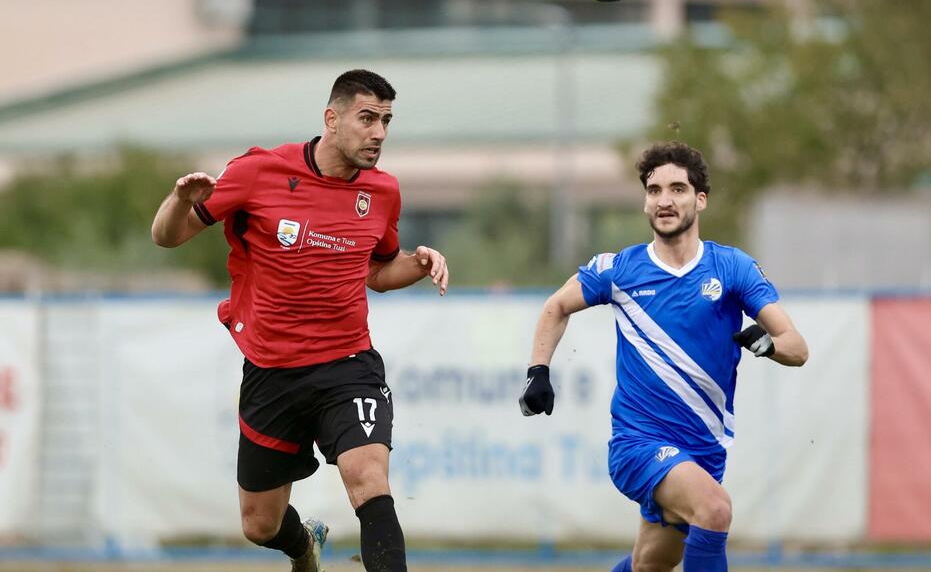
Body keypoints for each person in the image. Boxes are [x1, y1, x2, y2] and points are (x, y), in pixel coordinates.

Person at [151, 69, 447, 572]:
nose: (379, 133)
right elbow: (166, 237)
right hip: (272, 369)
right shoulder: (259, 172)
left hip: (348, 364)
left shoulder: (382, 192)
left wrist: (417, 266)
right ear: (332, 119)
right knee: (259, 524)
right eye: (367, 118)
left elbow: (378, 271)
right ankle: (302, 545)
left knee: (369, 477)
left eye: (387, 121)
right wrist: (181, 200)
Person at [518, 141, 808, 572]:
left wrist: (764, 343)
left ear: (700, 199)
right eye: (654, 191)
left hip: (703, 452)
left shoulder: (732, 269)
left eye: (677, 189)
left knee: (649, 565)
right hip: (639, 444)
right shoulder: (620, 269)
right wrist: (538, 372)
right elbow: (555, 306)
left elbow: (796, 347)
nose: (665, 200)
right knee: (715, 510)